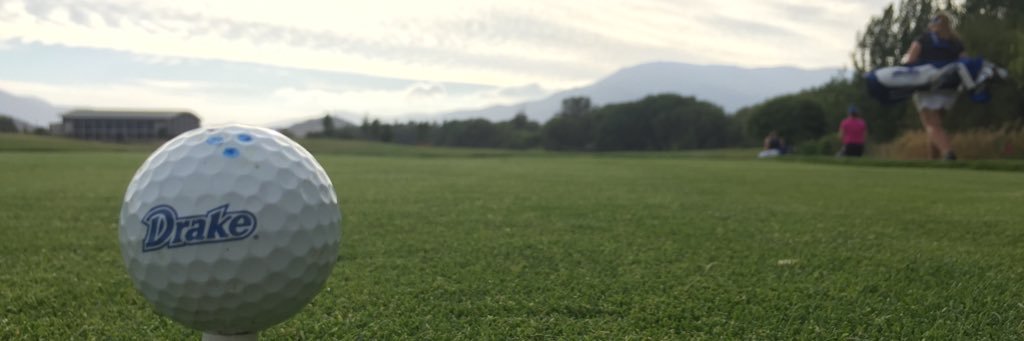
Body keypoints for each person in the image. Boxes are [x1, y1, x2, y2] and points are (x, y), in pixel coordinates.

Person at [902, 11, 965, 160]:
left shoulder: (923, 39)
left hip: (927, 86)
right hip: (949, 89)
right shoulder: (955, 42)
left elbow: (910, 60)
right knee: (937, 125)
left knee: (931, 125)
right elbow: (965, 62)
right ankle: (933, 161)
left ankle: (948, 152)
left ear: (932, 24)